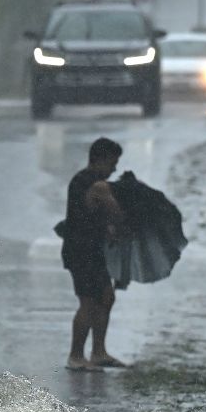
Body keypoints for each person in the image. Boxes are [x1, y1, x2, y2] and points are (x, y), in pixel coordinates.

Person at [60, 137, 126, 371]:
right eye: (112, 163)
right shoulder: (91, 183)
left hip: (91, 251)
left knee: (106, 296)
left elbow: (91, 215)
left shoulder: (91, 181)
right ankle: (76, 356)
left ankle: (98, 352)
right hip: (81, 252)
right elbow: (116, 213)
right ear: (101, 159)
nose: (115, 168)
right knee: (88, 302)